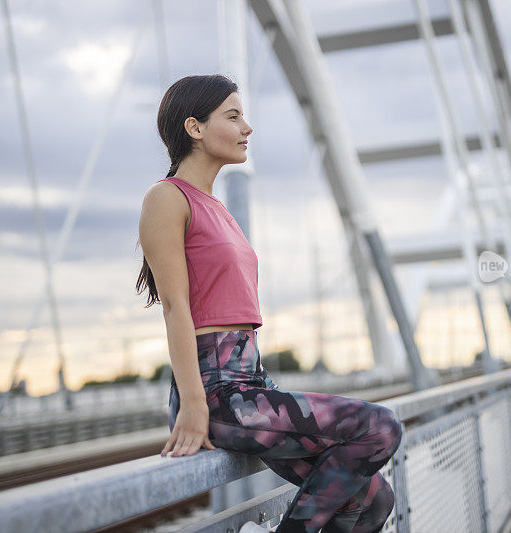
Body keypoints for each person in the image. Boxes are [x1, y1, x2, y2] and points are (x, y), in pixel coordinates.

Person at [136, 74, 402, 533]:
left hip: (250, 379)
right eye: (234, 116)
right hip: (218, 391)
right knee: (381, 427)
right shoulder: (167, 198)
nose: (247, 128)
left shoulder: (218, 209)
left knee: (373, 500)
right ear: (195, 128)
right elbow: (176, 307)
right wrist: (194, 404)